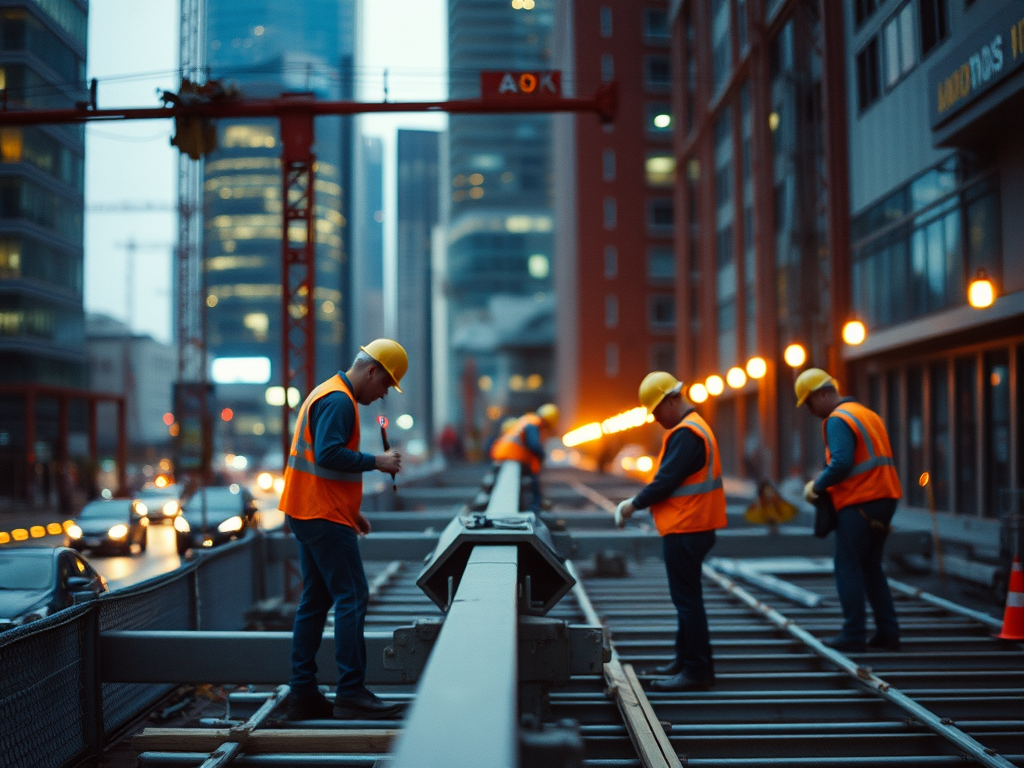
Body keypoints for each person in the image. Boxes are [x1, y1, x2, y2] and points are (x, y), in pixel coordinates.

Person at [279, 338, 408, 720]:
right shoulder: (339, 401)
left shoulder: (327, 392)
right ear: (372, 371)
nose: (383, 394)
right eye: (385, 385)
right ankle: (351, 693)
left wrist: (353, 513)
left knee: (316, 601)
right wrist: (378, 461)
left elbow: (322, 466)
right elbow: (329, 454)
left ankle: (302, 693)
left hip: (310, 510)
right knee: (352, 595)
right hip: (322, 515)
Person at [615, 372, 727, 691]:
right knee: (686, 600)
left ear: (672, 400)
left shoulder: (686, 433)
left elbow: (666, 481)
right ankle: (685, 659)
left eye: (656, 411)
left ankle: (696, 670)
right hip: (694, 525)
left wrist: (632, 505)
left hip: (687, 526)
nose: (655, 418)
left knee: (688, 601)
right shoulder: (694, 429)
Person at [796, 367, 902, 653]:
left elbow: (841, 462)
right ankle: (888, 632)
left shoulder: (838, 419)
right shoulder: (867, 414)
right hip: (885, 499)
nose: (809, 409)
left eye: (809, 402)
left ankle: (854, 633)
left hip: (860, 502)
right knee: (871, 567)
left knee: (847, 565)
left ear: (823, 394)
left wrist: (817, 485)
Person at [490, 403, 559, 512]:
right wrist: (542, 456)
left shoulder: (528, 420)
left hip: (505, 454)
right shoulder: (534, 423)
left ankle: (534, 504)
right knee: (533, 481)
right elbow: (533, 444)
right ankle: (535, 506)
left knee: (529, 479)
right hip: (512, 455)